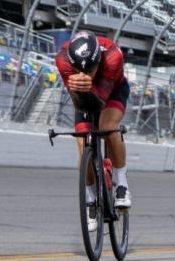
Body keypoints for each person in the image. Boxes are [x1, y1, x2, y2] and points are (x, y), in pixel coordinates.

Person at [55, 31, 131, 232]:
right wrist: (80, 88)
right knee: (82, 142)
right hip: (83, 95)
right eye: (79, 70)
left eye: (90, 70)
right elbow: (81, 102)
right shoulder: (62, 60)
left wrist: (86, 86)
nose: (84, 74)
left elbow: (100, 101)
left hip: (114, 90)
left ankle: (122, 184)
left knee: (108, 129)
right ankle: (90, 199)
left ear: (99, 60)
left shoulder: (113, 56)